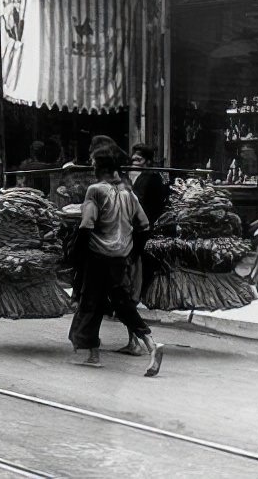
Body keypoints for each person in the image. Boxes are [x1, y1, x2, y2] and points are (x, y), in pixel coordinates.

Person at [67, 150, 164, 377]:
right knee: (118, 302)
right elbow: (144, 224)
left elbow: (87, 224)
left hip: (98, 255)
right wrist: (132, 252)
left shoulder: (95, 190)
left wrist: (74, 254)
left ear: (97, 168)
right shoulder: (128, 193)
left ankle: (94, 355)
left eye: (92, 163)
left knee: (91, 302)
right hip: (120, 256)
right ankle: (150, 343)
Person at [117, 143, 168, 355]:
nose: (133, 163)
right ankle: (134, 341)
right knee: (126, 292)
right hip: (132, 234)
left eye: (138, 160)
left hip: (141, 238)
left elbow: (151, 210)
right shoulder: (132, 179)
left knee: (130, 290)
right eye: (133, 160)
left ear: (146, 161)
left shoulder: (153, 179)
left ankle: (139, 342)